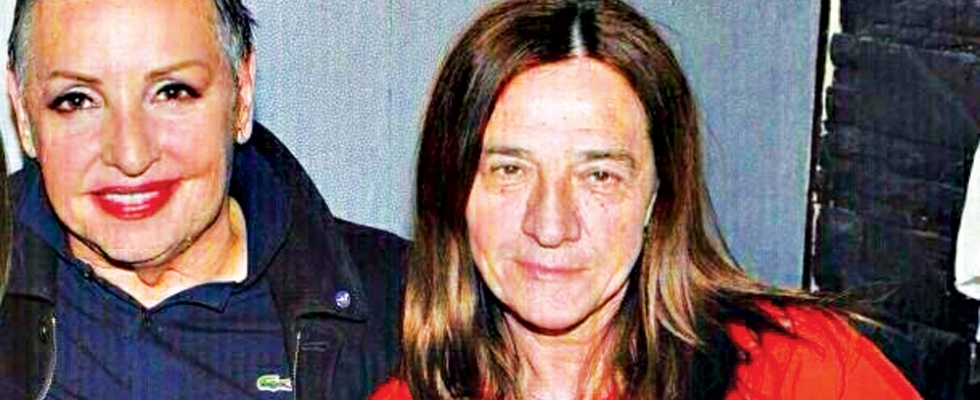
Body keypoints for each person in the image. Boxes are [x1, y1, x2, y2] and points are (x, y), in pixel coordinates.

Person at [371, 0, 921, 399]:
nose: (551, 225)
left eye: (600, 175)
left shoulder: (801, 372)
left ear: (659, 196)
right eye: (509, 170)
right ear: (453, 192)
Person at [0, 0, 406, 399]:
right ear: (23, 111)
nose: (130, 155)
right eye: (77, 100)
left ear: (241, 95)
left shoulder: (404, 306)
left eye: (172, 92)